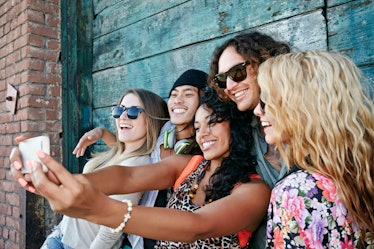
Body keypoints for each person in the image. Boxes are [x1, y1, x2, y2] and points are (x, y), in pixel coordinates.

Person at [11, 87, 271, 248]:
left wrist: (100, 208)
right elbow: (128, 175)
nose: (203, 133)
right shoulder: (190, 165)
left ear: (235, 125)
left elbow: (196, 225)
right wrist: (58, 179)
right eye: (198, 125)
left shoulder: (253, 190)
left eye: (213, 122)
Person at [71, 69, 208, 248]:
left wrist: (70, 185)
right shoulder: (165, 131)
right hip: (134, 238)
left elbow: (131, 174)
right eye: (173, 95)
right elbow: (131, 153)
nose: (178, 100)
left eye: (188, 94)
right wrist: (103, 134)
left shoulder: (201, 152)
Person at [254, 51, 374, 248]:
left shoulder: (296, 191)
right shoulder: (361, 169)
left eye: (266, 100)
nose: (257, 110)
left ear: (298, 105)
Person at [40, 88, 169, 249]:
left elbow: (112, 229)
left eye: (133, 112)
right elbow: (118, 150)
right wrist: (102, 132)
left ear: (151, 119)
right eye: (119, 110)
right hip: (62, 233)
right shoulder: (119, 152)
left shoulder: (138, 164)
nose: (122, 117)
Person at [207, 31, 290, 248]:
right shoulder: (243, 133)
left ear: (264, 63)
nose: (230, 86)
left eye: (237, 72)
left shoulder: (311, 123)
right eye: (222, 79)